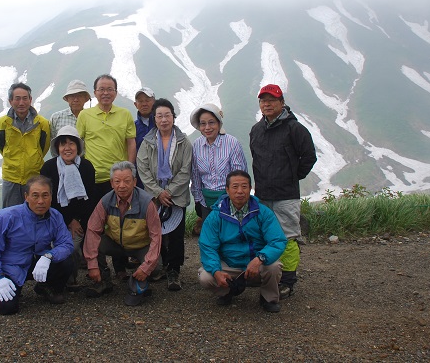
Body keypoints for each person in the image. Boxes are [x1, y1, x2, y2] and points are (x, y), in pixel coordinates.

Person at [249, 84, 317, 299]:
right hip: (262, 194)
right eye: (263, 100)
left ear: (282, 103)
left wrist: (293, 176)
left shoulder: (294, 129)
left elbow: (309, 157)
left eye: (272, 100)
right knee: (266, 236)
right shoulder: (256, 130)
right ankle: (270, 275)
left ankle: (288, 281)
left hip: (286, 195)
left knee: (288, 237)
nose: (267, 104)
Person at [0, 176, 75, 315]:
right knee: (7, 308)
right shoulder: (7, 217)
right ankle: (2, 288)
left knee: (66, 261)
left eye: (45, 195)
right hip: (12, 267)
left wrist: (49, 255)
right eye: (35, 196)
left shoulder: (55, 216)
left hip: (39, 261)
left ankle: (46, 287)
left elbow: (66, 243)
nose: (40, 201)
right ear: (26, 196)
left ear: (51, 196)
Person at [198, 170, 287, 313]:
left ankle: (268, 298)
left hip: (256, 263)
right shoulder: (216, 216)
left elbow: (277, 240)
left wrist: (260, 258)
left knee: (274, 266)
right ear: (227, 190)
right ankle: (227, 292)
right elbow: (208, 246)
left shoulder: (262, 212)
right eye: (235, 187)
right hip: (229, 264)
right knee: (205, 277)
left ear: (251, 189)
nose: (240, 191)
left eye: (244, 186)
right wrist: (216, 271)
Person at [83, 161, 162, 306]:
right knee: (96, 242)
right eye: (117, 181)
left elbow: (156, 236)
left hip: (140, 246)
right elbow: (92, 230)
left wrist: (146, 267)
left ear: (134, 182)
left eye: (127, 181)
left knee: (155, 267)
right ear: (112, 183)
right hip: (116, 244)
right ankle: (103, 282)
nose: (122, 186)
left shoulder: (146, 203)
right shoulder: (106, 201)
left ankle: (140, 281)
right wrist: (92, 264)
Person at [136, 98, 192, 291]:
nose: (164, 119)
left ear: (173, 117)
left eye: (167, 115)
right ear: (155, 119)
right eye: (159, 116)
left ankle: (174, 270)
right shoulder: (147, 142)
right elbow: (142, 169)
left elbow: (186, 170)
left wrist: (170, 192)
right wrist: (158, 192)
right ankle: (158, 265)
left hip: (176, 196)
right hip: (154, 195)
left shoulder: (184, 142)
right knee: (155, 232)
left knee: (176, 234)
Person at [40, 125, 96, 290]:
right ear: (57, 147)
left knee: (72, 246)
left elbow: (88, 199)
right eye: (63, 144)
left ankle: (69, 279)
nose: (67, 148)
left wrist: (76, 220)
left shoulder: (86, 167)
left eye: (71, 143)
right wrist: (67, 220)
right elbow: (47, 199)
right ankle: (49, 277)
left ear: (78, 147)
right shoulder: (49, 168)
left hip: (79, 219)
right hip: (53, 218)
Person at [76, 74, 136, 203]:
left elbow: (131, 143)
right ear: (95, 93)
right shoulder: (85, 115)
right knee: (94, 217)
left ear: (115, 92)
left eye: (110, 89)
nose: (106, 93)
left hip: (119, 178)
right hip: (93, 177)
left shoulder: (125, 114)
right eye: (101, 89)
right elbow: (78, 144)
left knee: (119, 218)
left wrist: (130, 169)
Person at [189, 103, 248, 235]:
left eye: (211, 123)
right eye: (203, 124)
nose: (207, 127)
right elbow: (196, 175)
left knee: (230, 238)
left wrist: (234, 198)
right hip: (206, 202)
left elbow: (239, 175)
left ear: (219, 123)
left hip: (230, 200)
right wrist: (198, 199)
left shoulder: (232, 143)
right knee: (210, 239)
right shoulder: (197, 145)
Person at [0, 82, 51, 208]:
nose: (21, 103)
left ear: (30, 100)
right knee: (10, 215)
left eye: (25, 98)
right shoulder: (3, 123)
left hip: (34, 177)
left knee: (35, 213)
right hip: (11, 177)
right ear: (10, 101)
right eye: (17, 98)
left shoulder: (42, 124)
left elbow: (44, 148)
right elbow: (1, 146)